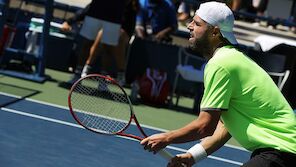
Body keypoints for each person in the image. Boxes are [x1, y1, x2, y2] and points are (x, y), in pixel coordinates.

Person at [140, 1, 296, 167]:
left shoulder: (221, 64)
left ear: (214, 32)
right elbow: (225, 127)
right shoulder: (230, 59)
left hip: (281, 152)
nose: (189, 26)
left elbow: (205, 127)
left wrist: (166, 138)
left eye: (197, 23)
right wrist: (192, 156)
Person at [64, 0, 128, 85]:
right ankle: (77, 75)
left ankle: (103, 81)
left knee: (108, 49)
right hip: (94, 13)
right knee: (86, 44)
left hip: (114, 17)